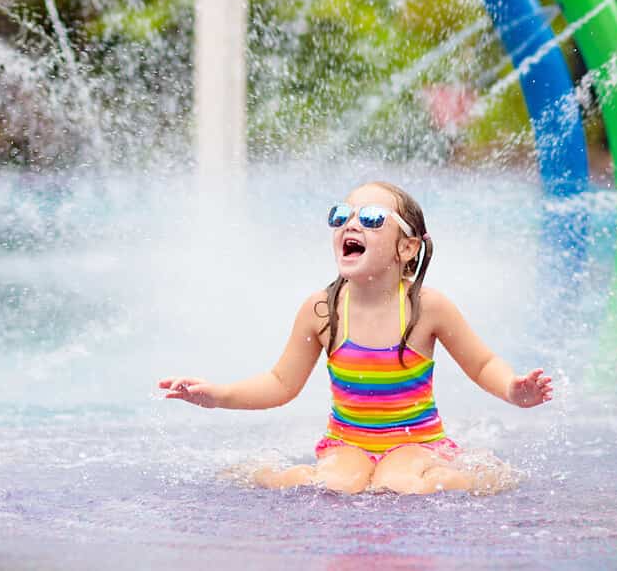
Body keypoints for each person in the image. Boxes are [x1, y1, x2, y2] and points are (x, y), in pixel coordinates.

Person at [158, 181, 553, 495]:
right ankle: (266, 475)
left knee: (398, 486)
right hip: (346, 443)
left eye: (372, 217)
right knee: (333, 486)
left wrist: (512, 390)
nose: (352, 223)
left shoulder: (426, 307)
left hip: (415, 442)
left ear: (407, 247)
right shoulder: (322, 310)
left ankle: (480, 477)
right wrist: (218, 396)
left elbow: (482, 363)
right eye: (342, 214)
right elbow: (281, 382)